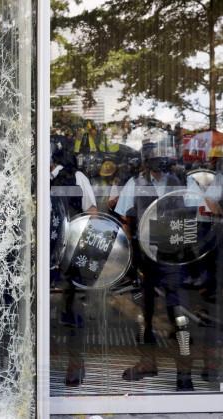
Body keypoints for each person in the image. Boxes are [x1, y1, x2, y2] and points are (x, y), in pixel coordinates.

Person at [115, 130, 194, 391]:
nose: (156, 161)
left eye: (160, 156)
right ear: (145, 160)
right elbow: (126, 218)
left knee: (178, 315)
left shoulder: (182, 182)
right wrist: (132, 252)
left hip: (174, 256)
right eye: (151, 156)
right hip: (146, 256)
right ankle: (147, 361)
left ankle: (185, 370)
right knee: (144, 314)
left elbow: (201, 214)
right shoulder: (135, 184)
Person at [50, 135, 97, 386]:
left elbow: (92, 212)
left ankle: (75, 365)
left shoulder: (77, 177)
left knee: (72, 311)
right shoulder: (34, 175)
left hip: (71, 254)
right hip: (41, 254)